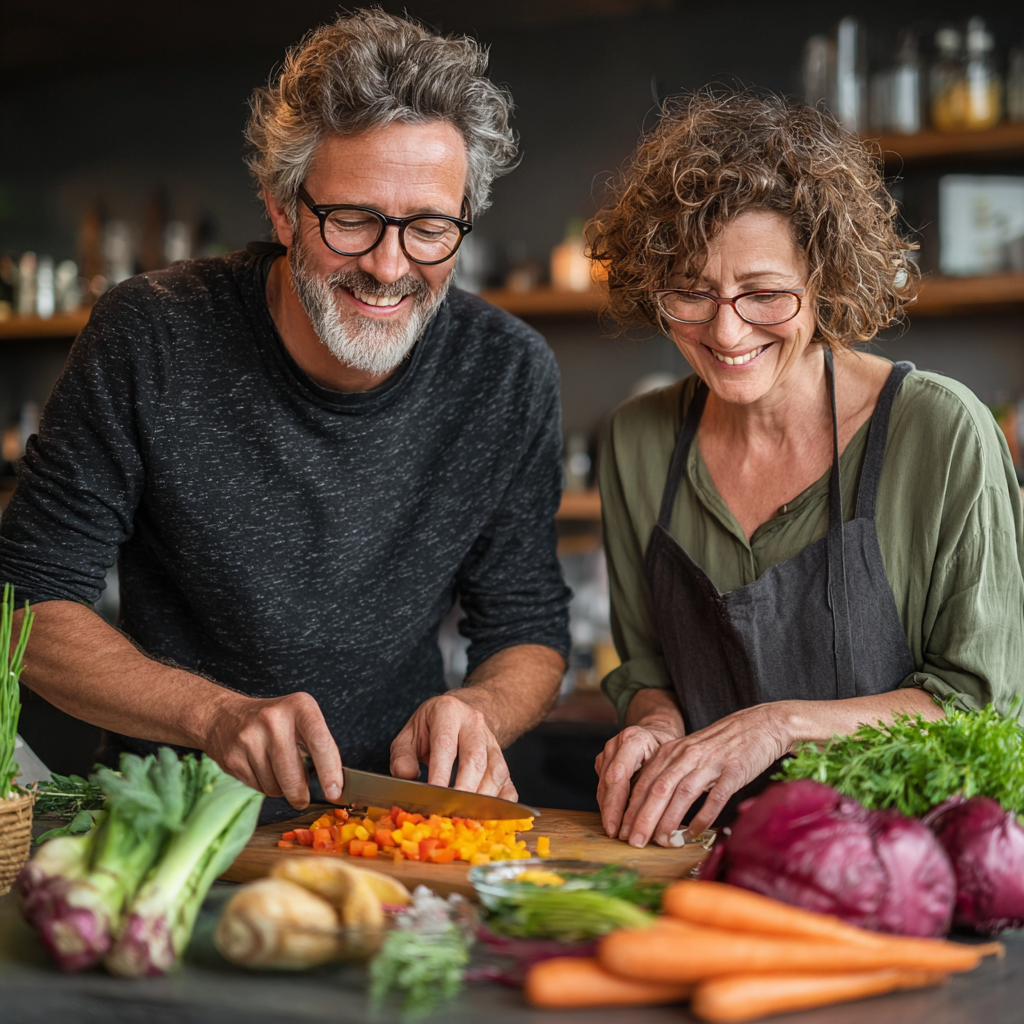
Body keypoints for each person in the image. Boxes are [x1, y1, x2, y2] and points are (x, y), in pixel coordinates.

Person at [0, 10, 571, 817]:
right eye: (352, 220)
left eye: (430, 229)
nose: (388, 265)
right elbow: (25, 602)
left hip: (394, 826)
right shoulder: (153, 334)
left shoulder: (506, 371)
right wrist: (214, 715)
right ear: (280, 208)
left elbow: (528, 627)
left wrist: (481, 711)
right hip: (168, 821)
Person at [589, 91, 1024, 849]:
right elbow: (648, 664)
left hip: (906, 871)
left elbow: (980, 707)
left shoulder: (939, 431)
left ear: (825, 281)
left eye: (763, 294)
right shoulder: (638, 442)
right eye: (692, 291)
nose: (726, 331)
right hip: (709, 864)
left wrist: (781, 727)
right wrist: (653, 725)